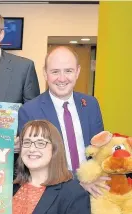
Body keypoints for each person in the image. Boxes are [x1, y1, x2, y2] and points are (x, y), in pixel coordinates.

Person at [18, 46, 107, 197]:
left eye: (68, 71)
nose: (62, 78)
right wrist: (79, 180)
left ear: (78, 71)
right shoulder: (29, 111)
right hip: (52, 193)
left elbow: (99, 150)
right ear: (45, 73)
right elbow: (33, 164)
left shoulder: (91, 104)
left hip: (93, 191)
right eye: (55, 71)